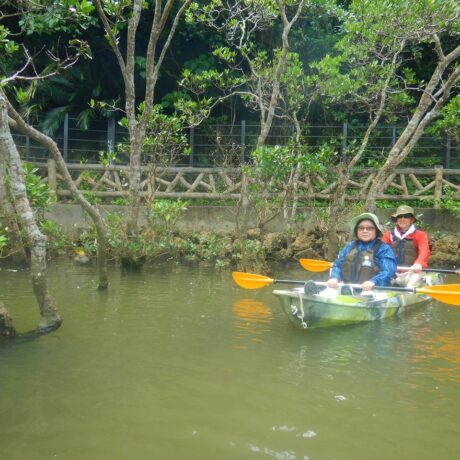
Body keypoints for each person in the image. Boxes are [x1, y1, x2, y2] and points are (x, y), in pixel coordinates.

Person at [327, 212, 397, 292]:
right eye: (361, 228)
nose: (364, 231)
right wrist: (334, 277)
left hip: (374, 291)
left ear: (376, 231)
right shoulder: (350, 246)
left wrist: (373, 281)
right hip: (348, 289)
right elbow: (337, 265)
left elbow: (388, 271)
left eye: (369, 228)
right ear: (357, 231)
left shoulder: (384, 248)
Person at [381, 205, 430, 287]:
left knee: (414, 277)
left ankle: (409, 291)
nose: (402, 219)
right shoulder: (388, 235)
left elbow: (424, 251)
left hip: (413, 272)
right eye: (399, 216)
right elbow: (381, 252)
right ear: (396, 220)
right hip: (392, 271)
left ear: (411, 220)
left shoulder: (420, 235)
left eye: (406, 216)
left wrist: (418, 263)